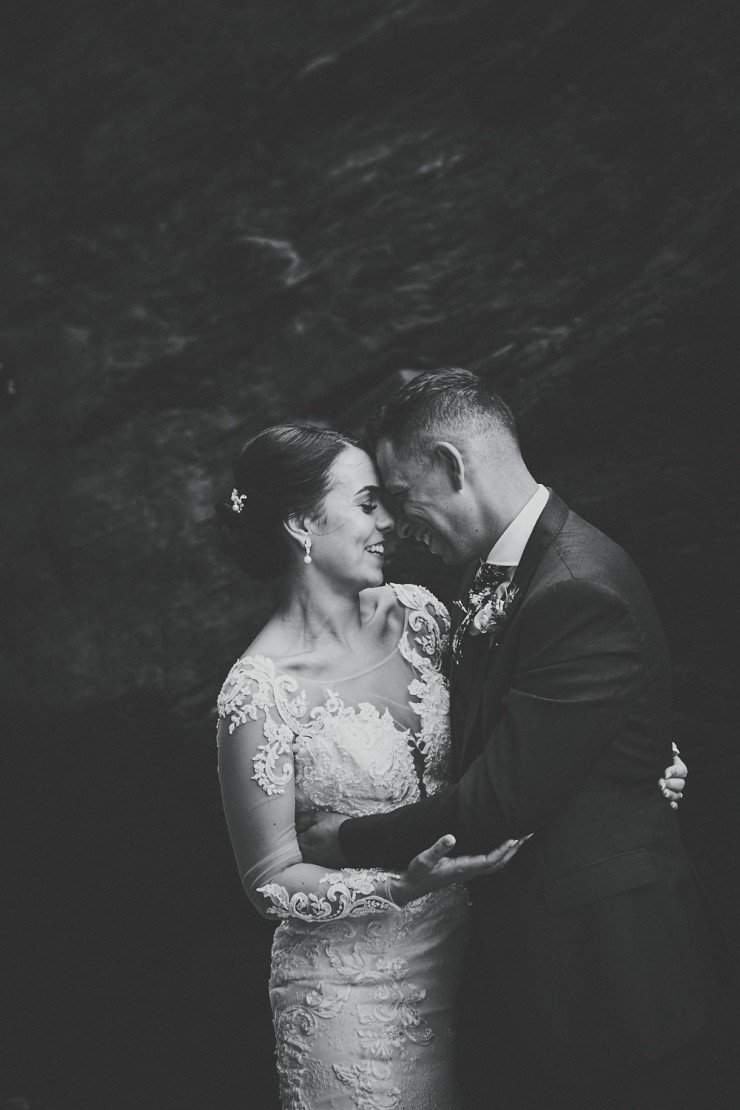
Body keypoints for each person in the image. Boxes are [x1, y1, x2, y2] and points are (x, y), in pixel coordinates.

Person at [215, 421, 686, 1110]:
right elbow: (268, 881)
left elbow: (519, 740)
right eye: (368, 503)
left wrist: (634, 765)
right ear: (301, 523)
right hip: (356, 993)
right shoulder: (257, 693)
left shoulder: (423, 616)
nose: (391, 522)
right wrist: (397, 885)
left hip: (485, 970)